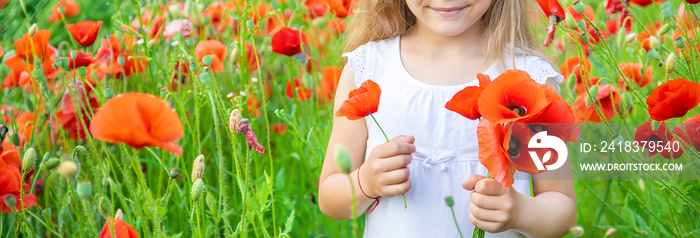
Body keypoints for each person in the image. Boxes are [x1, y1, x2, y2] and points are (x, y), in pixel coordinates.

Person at [318, 0, 577, 237]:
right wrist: (365, 181)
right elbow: (330, 198)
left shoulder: (530, 78)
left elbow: (562, 208)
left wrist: (521, 212)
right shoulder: (368, 68)